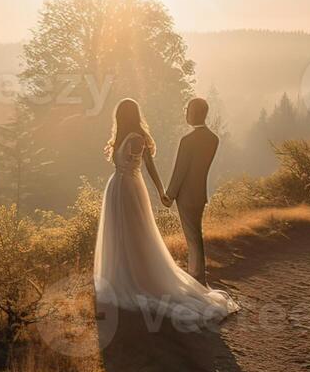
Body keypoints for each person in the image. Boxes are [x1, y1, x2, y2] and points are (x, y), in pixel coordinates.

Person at [93, 98, 238, 327]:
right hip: (120, 189)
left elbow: (159, 167)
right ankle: (127, 274)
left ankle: (174, 277)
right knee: (121, 233)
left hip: (130, 188)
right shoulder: (122, 139)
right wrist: (165, 194)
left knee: (139, 233)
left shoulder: (139, 139)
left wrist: (165, 193)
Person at [162, 97, 219, 281]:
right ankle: (198, 275)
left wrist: (169, 195)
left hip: (185, 196)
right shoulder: (213, 139)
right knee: (197, 235)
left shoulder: (187, 140)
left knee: (192, 238)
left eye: (187, 110)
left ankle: (196, 277)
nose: (186, 114)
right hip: (200, 193)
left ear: (194, 113)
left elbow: (180, 170)